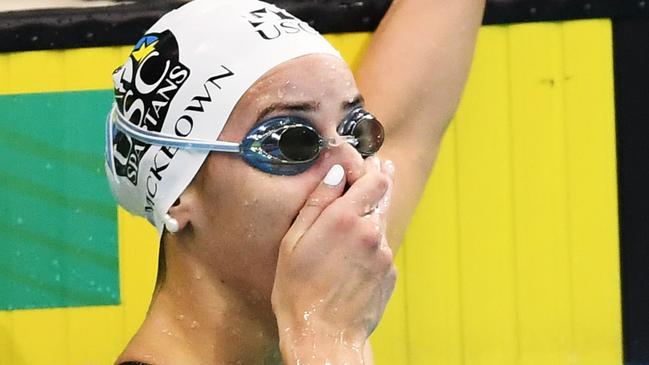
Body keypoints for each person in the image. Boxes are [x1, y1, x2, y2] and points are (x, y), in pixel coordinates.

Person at [106, 0, 485, 363]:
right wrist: (325, 335)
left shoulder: (323, 225)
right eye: (291, 142)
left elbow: (407, 125)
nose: (354, 171)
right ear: (178, 193)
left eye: (357, 131)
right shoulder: (324, 319)